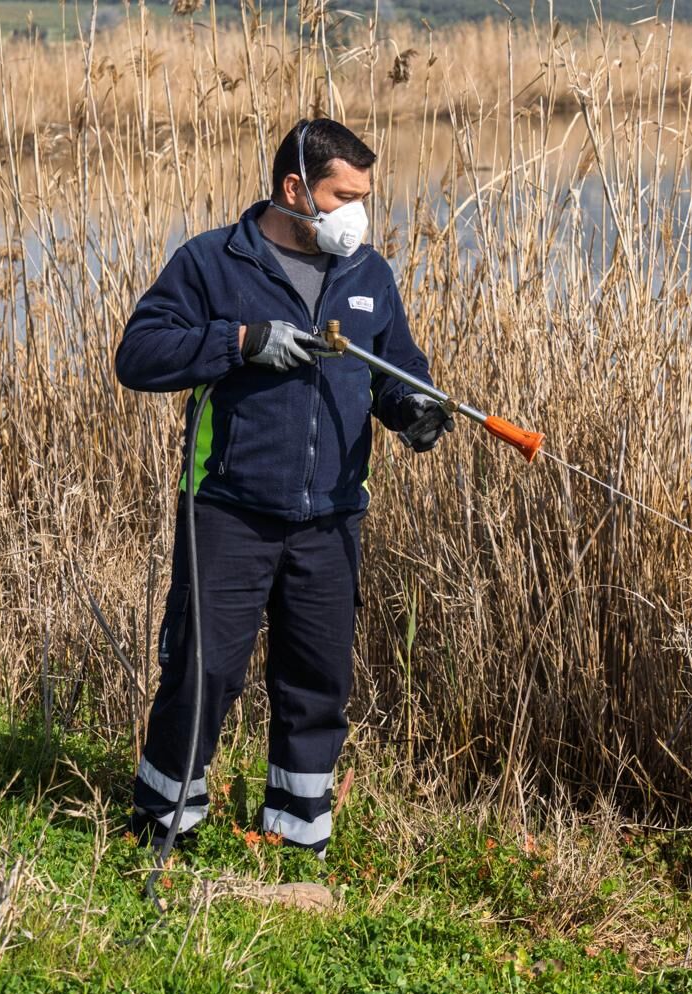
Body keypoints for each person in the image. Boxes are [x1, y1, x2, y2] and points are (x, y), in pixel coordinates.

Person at [114, 118, 452, 858]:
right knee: (202, 671)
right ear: (295, 189)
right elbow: (137, 354)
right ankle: (163, 828)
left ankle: (297, 842)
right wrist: (239, 342)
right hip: (228, 509)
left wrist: (413, 409)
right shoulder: (214, 261)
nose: (357, 214)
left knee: (317, 681)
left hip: (332, 518)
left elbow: (396, 370)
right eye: (343, 197)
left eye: (365, 198)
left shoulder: (368, 275)